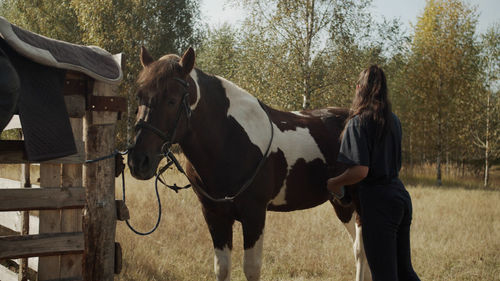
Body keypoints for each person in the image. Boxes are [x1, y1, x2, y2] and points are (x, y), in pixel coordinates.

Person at [327, 65, 420, 281]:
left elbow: (360, 170)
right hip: (400, 196)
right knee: (405, 271)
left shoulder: (357, 122)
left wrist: (335, 182)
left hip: (378, 204)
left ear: (359, 88)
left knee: (384, 275)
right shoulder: (394, 120)